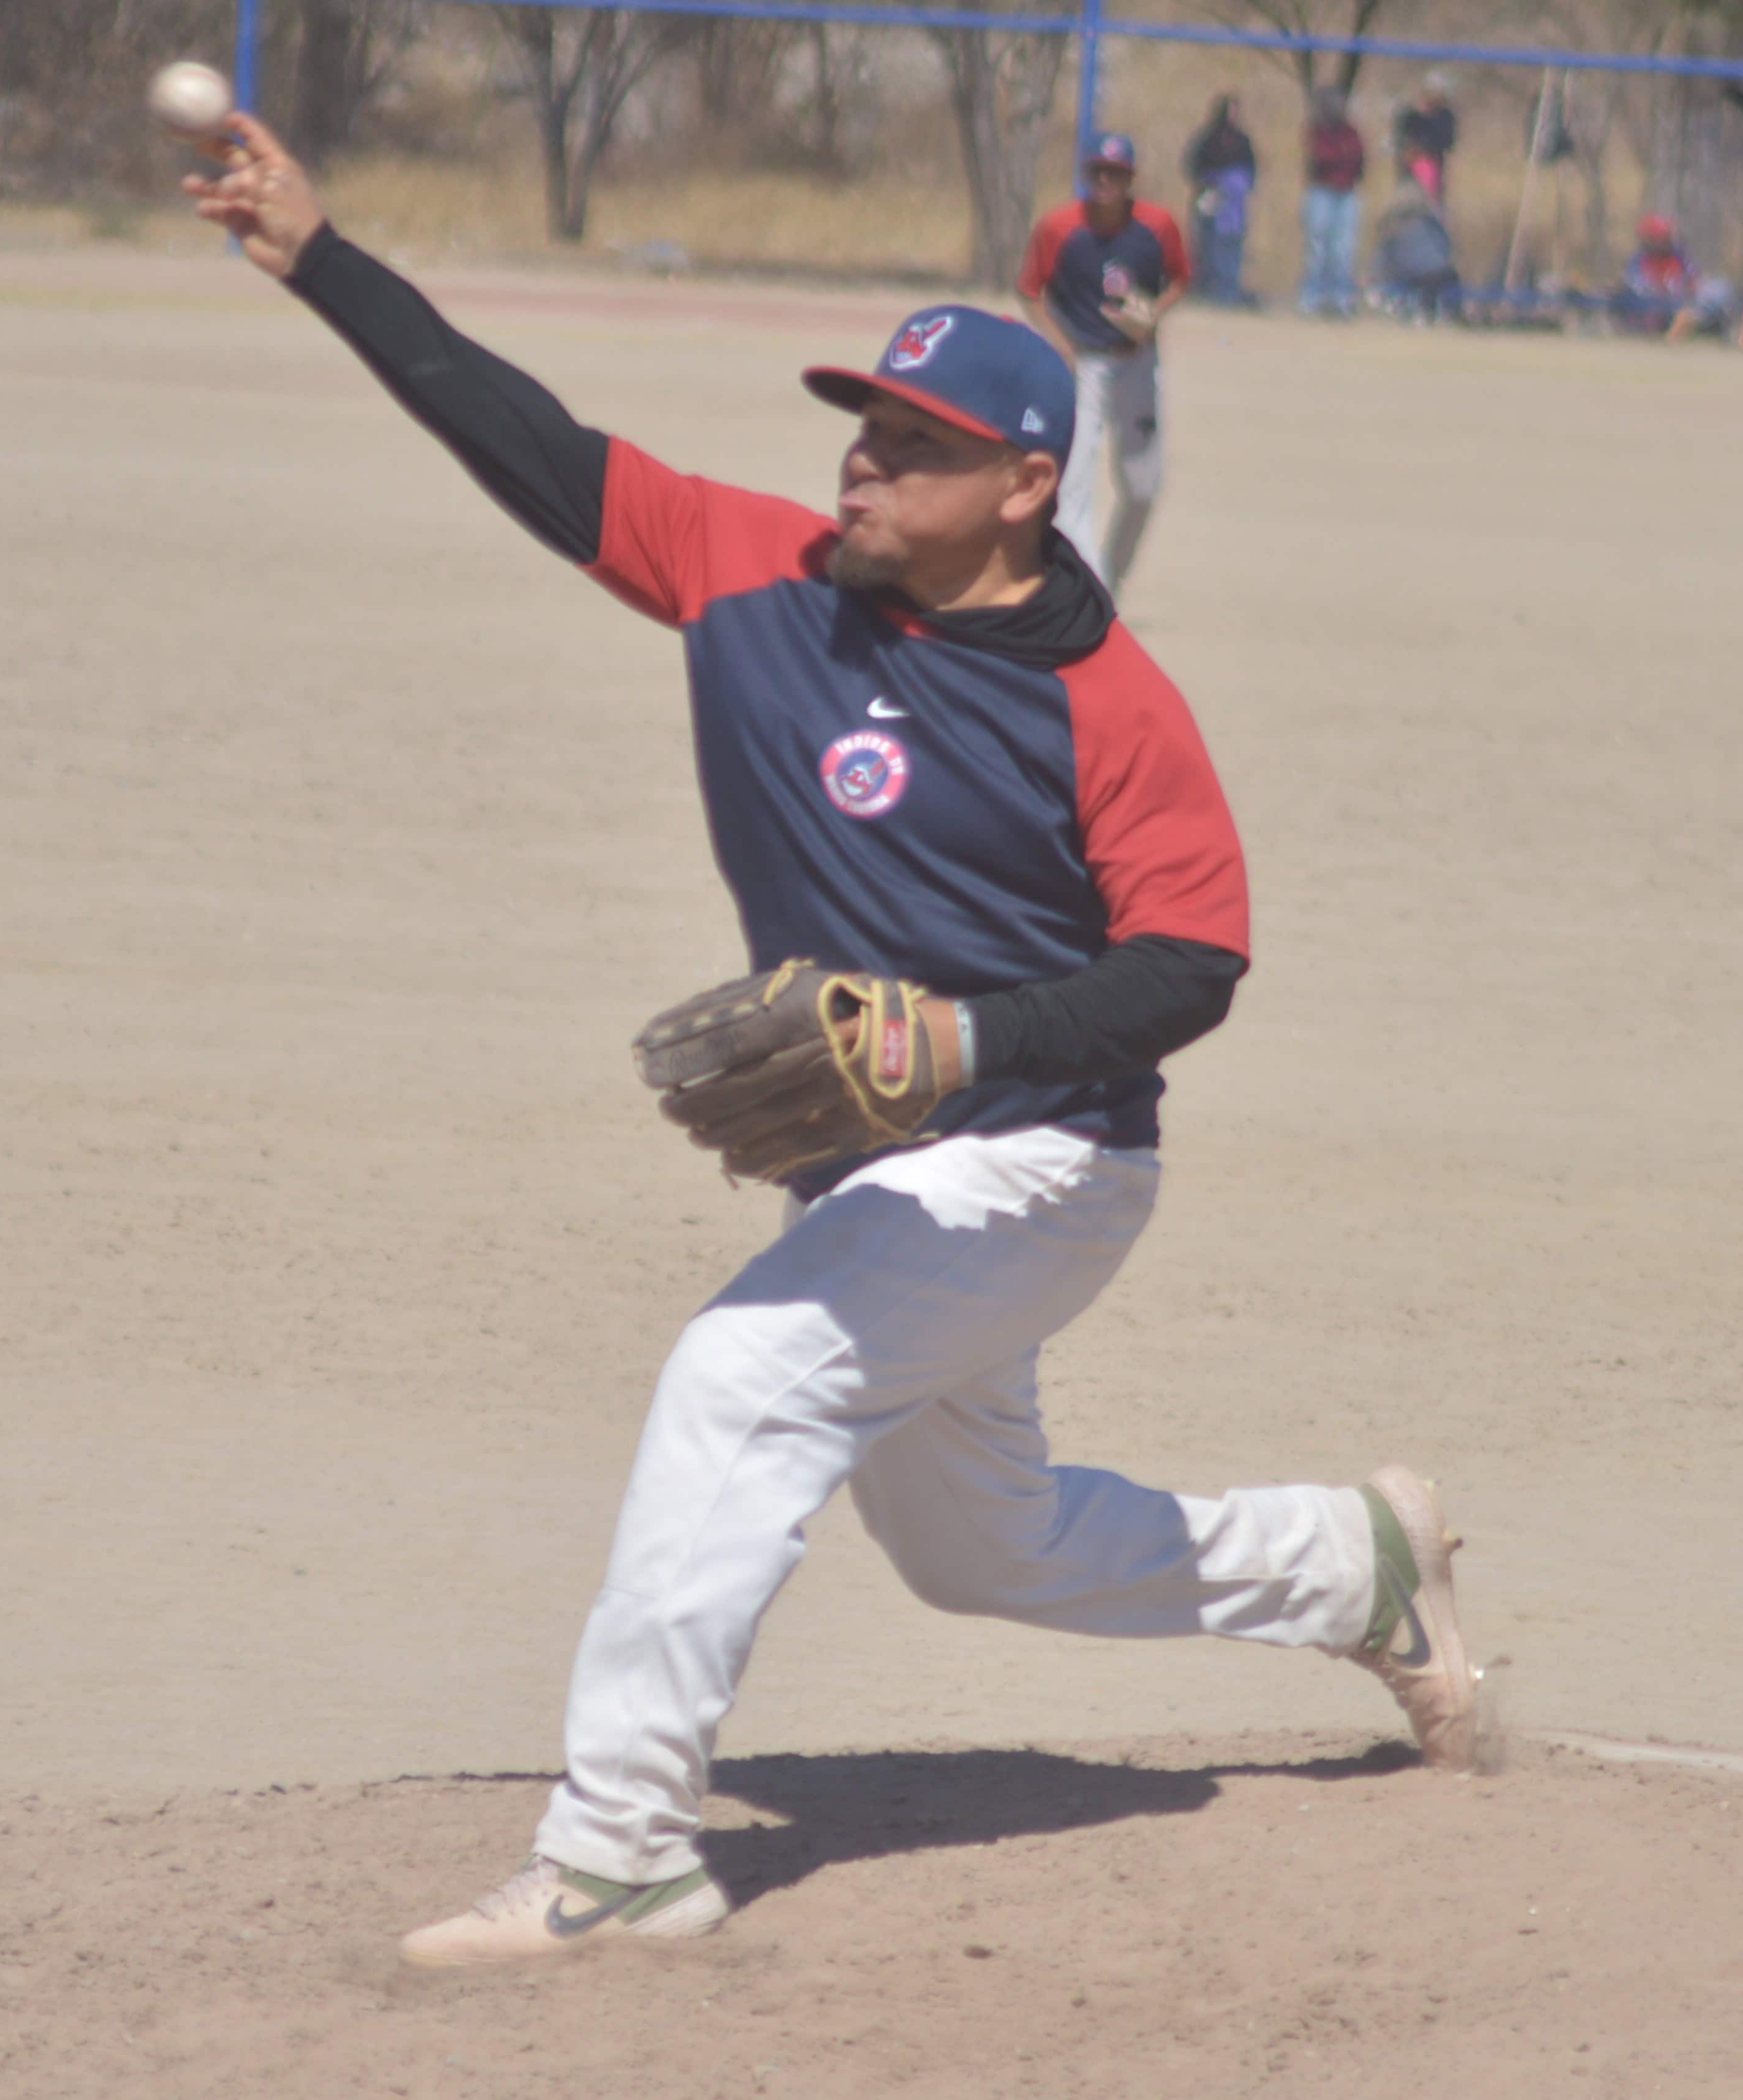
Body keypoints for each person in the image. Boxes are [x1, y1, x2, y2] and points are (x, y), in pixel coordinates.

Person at [183, 111, 1481, 1971]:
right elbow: (522, 435)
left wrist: (960, 1042)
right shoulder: (751, 574)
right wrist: (319, 252)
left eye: (913, 444)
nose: (861, 461)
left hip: (1047, 1163)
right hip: (878, 1168)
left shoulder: (1113, 705)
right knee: (984, 1549)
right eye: (861, 426)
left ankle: (622, 1846)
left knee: (740, 1374)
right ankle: (1352, 1557)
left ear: (1025, 485)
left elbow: (1193, 962)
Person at [1018, 132, 1191, 591]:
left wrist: (1153, 313)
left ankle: (1108, 584)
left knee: (1142, 488)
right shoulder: (1059, 228)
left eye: (1115, 173)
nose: (1104, 181)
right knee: (1073, 488)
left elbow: (1179, 278)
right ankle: (1091, 595)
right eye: (1097, 171)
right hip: (1084, 367)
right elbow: (1030, 290)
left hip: (1137, 362)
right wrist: (1061, 345)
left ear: (1130, 178)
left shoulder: (1156, 227)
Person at [1183, 91, 1259, 306]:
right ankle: (1208, 288)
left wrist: (1238, 184)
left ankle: (1230, 287)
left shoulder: (1242, 140)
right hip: (1210, 198)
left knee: (1231, 244)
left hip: (1234, 205)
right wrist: (1211, 183)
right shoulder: (1208, 138)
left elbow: (1251, 168)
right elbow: (1193, 166)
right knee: (1208, 244)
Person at [1298, 86, 1367, 318]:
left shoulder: (1351, 132)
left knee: (1344, 249)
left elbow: (1359, 159)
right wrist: (1340, 161)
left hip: (1347, 194)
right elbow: (1322, 159)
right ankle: (1313, 298)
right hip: (1322, 192)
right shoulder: (1318, 131)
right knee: (1317, 246)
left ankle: (1341, 299)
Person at [1612, 213, 1723, 340]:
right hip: (1653, 305)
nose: (1663, 242)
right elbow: (1632, 283)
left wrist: (1690, 290)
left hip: (1679, 302)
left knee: (1716, 293)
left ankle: (1692, 323)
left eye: (1665, 237)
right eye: (1657, 238)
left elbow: (1694, 280)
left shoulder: (1679, 257)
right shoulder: (1639, 260)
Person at [1373, 174, 1460, 322]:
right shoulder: (1431, 222)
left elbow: (1384, 258)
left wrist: (1376, 275)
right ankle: (1445, 313)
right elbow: (1446, 247)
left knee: (1425, 281)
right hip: (1438, 271)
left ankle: (1424, 313)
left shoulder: (1392, 228)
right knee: (1443, 278)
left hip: (1414, 274)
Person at [1394, 73, 1457, 203]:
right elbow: (1400, 141)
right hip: (1409, 178)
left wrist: (1423, 151)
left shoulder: (1445, 118)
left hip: (1433, 177)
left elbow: (1447, 142)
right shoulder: (1409, 116)